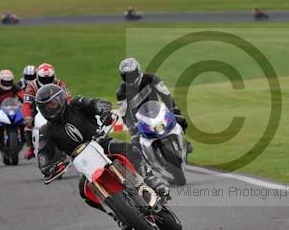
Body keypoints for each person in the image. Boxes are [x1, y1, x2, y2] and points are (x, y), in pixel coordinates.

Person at [35, 84, 170, 215]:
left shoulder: (76, 104)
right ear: (41, 109)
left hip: (100, 142)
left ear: (61, 99)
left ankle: (154, 182)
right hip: (82, 162)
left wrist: (102, 110)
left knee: (131, 150)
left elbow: (94, 103)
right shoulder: (46, 130)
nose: (51, 108)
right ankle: (116, 215)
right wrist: (46, 166)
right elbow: (43, 152)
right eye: (46, 106)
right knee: (84, 192)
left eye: (53, 103)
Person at [116, 57, 190, 151]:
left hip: (158, 113)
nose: (130, 79)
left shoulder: (151, 78)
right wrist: (132, 127)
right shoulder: (121, 92)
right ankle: (145, 162)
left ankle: (184, 143)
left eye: (132, 75)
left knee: (181, 120)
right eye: (126, 76)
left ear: (138, 70)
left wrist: (172, 108)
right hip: (140, 122)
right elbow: (124, 114)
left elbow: (165, 95)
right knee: (135, 142)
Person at [22, 63, 69, 159]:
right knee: (28, 127)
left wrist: (69, 110)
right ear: (38, 77)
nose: (47, 81)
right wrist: (28, 117)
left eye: (49, 78)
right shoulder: (32, 86)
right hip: (38, 110)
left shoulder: (59, 83)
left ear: (53, 76)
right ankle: (31, 148)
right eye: (44, 79)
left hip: (57, 109)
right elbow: (26, 104)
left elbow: (68, 98)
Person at [0, 70, 25, 145]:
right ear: (0, 80)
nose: (7, 84)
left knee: (23, 121)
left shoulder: (15, 87)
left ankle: (24, 136)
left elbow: (23, 97)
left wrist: (24, 106)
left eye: (9, 81)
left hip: (14, 107)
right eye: (5, 82)